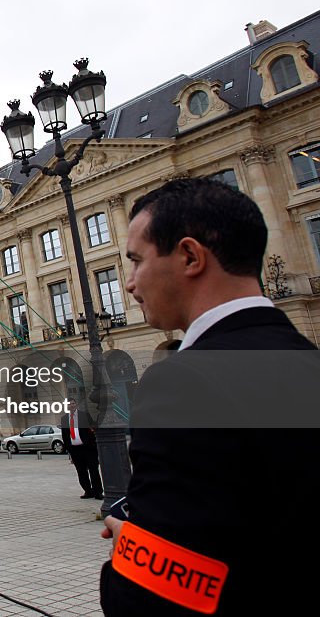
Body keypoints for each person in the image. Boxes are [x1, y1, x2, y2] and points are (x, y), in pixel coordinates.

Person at [100, 178, 320, 615]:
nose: (128, 284)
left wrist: (131, 548)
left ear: (189, 256)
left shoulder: (184, 384)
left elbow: (150, 599)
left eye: (137, 261)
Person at [60, 403, 102, 500]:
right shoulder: (64, 419)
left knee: (93, 470)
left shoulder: (84, 415)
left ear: (76, 405)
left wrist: (92, 444)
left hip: (88, 448)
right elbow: (65, 436)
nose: (72, 406)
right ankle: (88, 491)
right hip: (75, 450)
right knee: (81, 472)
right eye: (69, 404)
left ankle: (98, 492)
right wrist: (69, 450)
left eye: (73, 403)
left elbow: (92, 429)